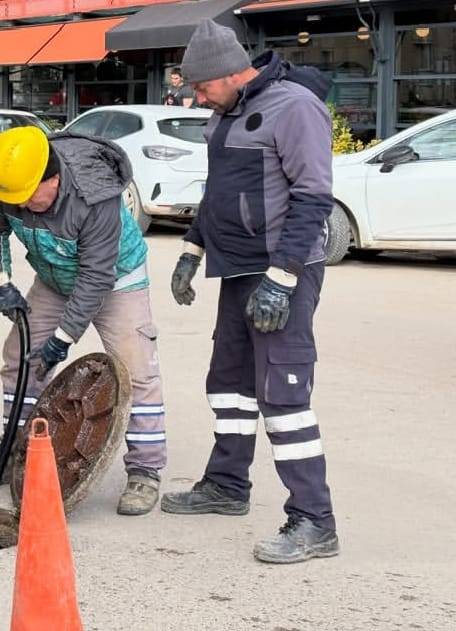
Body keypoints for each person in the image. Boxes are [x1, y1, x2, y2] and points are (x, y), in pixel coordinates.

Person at [159, 19, 339, 564]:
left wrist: (282, 280)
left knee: (282, 394)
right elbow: (217, 192)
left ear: (231, 73)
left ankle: (315, 519)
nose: (197, 96)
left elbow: (313, 198)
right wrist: (192, 250)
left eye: (203, 86)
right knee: (230, 384)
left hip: (284, 271)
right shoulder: (225, 112)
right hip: (236, 269)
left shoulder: (296, 108)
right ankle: (227, 485)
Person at [0, 125, 168, 516]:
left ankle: (145, 470)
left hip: (115, 279)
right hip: (55, 277)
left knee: (136, 370)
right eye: (15, 199)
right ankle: (15, 451)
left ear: (54, 179)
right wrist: (0, 282)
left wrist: (63, 338)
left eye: (29, 198)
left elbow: (97, 277)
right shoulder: (14, 185)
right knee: (20, 360)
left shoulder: (96, 199)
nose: (20, 206)